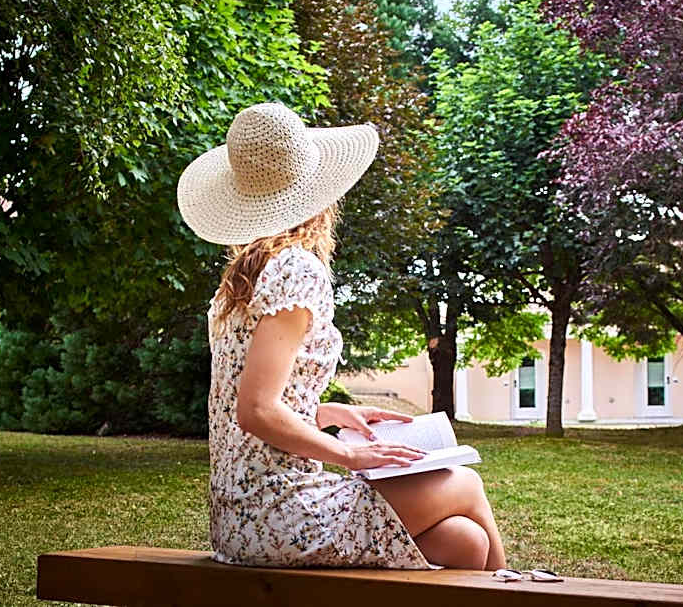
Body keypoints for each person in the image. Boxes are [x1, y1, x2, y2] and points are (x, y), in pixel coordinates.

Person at [177, 102, 506, 570]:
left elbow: (249, 402)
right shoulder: (296, 270)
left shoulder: (240, 285)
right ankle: (518, 588)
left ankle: (501, 588)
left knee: (464, 542)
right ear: (318, 194)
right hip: (280, 511)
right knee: (466, 484)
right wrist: (351, 454)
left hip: (239, 519)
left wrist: (329, 413)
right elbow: (255, 411)